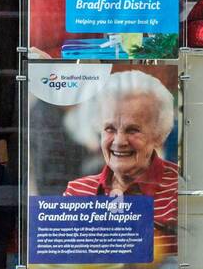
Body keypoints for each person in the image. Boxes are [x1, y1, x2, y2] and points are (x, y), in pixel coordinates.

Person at [64, 71, 178, 229]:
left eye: (133, 130)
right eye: (110, 129)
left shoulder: (178, 192)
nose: (119, 142)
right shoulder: (77, 192)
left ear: (158, 135)